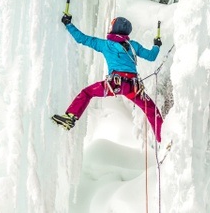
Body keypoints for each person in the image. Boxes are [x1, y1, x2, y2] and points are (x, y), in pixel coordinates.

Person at [52, 14, 164, 143]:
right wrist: (156, 45)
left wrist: (68, 24)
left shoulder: (106, 45)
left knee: (87, 93)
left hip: (114, 85)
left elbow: (82, 39)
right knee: (151, 109)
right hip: (133, 88)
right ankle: (162, 138)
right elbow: (151, 56)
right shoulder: (133, 45)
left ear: (115, 28)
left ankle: (70, 116)